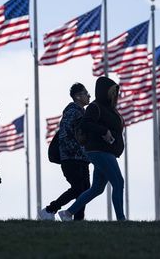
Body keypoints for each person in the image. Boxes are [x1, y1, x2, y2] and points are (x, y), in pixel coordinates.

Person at [59, 76, 126, 221]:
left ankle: (67, 213)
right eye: (113, 92)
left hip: (106, 152)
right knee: (118, 182)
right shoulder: (94, 107)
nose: (115, 95)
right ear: (105, 92)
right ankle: (121, 220)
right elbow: (85, 124)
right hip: (99, 151)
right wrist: (104, 131)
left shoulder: (110, 109)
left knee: (97, 189)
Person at [40, 83, 91, 221]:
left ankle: (78, 220)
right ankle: (49, 210)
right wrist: (76, 151)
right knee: (78, 188)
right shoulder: (73, 111)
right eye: (86, 93)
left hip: (82, 158)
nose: (89, 96)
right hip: (71, 158)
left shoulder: (81, 112)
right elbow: (65, 134)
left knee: (85, 190)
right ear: (78, 96)